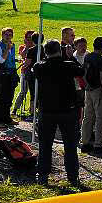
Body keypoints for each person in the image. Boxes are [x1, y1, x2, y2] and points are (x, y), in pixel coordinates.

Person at [31, 40, 85, 186]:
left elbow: (38, 67)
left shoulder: (39, 67)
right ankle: (73, 177)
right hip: (68, 110)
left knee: (45, 144)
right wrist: (70, 56)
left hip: (47, 111)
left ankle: (42, 175)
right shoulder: (68, 65)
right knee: (70, 145)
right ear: (59, 51)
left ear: (45, 52)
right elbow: (81, 71)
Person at [80, 37, 102, 153]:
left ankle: (85, 142)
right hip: (98, 89)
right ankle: (99, 144)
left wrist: (86, 85)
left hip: (88, 89)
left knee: (88, 116)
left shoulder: (88, 57)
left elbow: (84, 72)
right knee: (101, 117)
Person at [0, 27, 18, 128]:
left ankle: (7, 118)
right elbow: (1, 60)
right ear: (2, 35)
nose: (8, 37)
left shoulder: (13, 45)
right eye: (6, 35)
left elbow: (9, 58)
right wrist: (7, 49)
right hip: (2, 75)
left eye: (10, 35)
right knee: (1, 98)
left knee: (9, 97)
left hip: (11, 74)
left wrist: (16, 60)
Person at [12, 30, 35, 119]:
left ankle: (32, 110)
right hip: (25, 71)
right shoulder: (22, 47)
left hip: (34, 72)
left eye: (31, 38)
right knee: (23, 91)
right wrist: (27, 46)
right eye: (28, 38)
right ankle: (14, 110)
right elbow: (23, 56)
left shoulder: (37, 48)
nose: (29, 40)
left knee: (34, 92)